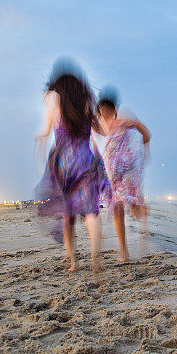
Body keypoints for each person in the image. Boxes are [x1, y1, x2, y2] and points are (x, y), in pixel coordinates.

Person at [35, 59, 111, 274]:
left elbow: (45, 130)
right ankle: (96, 259)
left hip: (63, 164)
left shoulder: (55, 102)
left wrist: (39, 142)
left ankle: (74, 263)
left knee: (67, 217)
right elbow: (102, 131)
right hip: (85, 160)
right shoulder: (87, 103)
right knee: (91, 213)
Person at [96, 89, 151, 262]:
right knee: (117, 210)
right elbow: (96, 129)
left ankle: (142, 209)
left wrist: (145, 149)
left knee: (134, 209)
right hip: (113, 173)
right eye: (101, 111)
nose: (103, 114)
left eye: (106, 110)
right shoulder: (104, 126)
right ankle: (124, 252)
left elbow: (145, 132)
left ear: (113, 109)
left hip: (128, 170)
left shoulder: (124, 121)